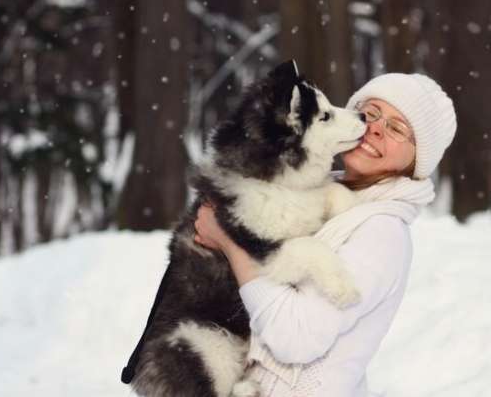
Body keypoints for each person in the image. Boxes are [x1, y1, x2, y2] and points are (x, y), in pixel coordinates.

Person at [193, 73, 457, 397]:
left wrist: (229, 243)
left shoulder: (382, 232)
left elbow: (296, 337)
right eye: (372, 113)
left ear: (417, 162)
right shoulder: (315, 192)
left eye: (397, 129)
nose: (374, 127)